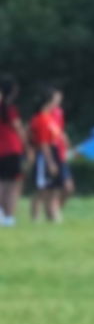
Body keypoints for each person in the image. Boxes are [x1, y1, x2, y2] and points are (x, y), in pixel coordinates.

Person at [27, 85, 72, 224]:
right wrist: (51, 162)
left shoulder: (50, 117)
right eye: (56, 99)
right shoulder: (41, 119)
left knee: (53, 188)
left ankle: (52, 215)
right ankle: (35, 219)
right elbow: (43, 143)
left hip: (54, 152)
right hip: (45, 155)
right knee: (42, 189)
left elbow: (57, 134)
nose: (58, 102)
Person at [0, 75, 25, 226]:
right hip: (12, 149)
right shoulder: (10, 110)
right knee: (13, 185)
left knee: (1, 183)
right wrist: (28, 147)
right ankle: (9, 216)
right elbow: (19, 129)